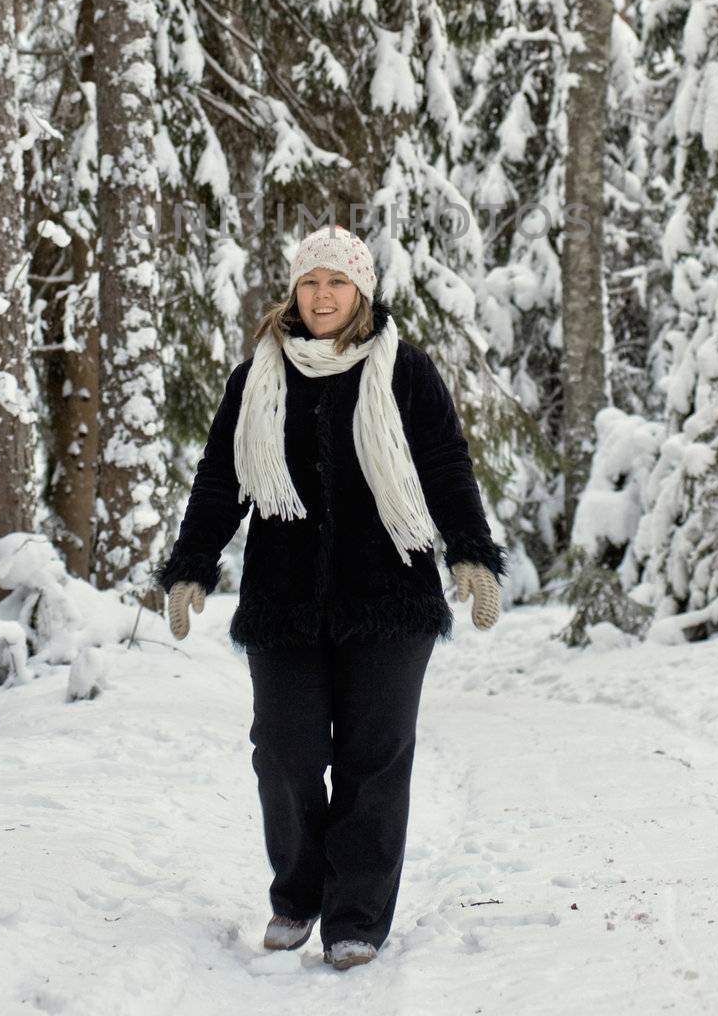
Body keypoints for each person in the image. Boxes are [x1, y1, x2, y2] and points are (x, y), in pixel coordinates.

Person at [153, 225, 507, 972]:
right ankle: (296, 892)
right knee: (283, 749)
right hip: (283, 597)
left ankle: (356, 918)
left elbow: (445, 465)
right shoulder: (257, 376)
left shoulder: (404, 369)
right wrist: (190, 566)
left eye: (336, 283)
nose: (321, 296)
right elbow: (222, 479)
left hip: (390, 593)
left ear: (361, 292)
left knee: (373, 759)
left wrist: (471, 554)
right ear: (293, 290)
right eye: (309, 282)